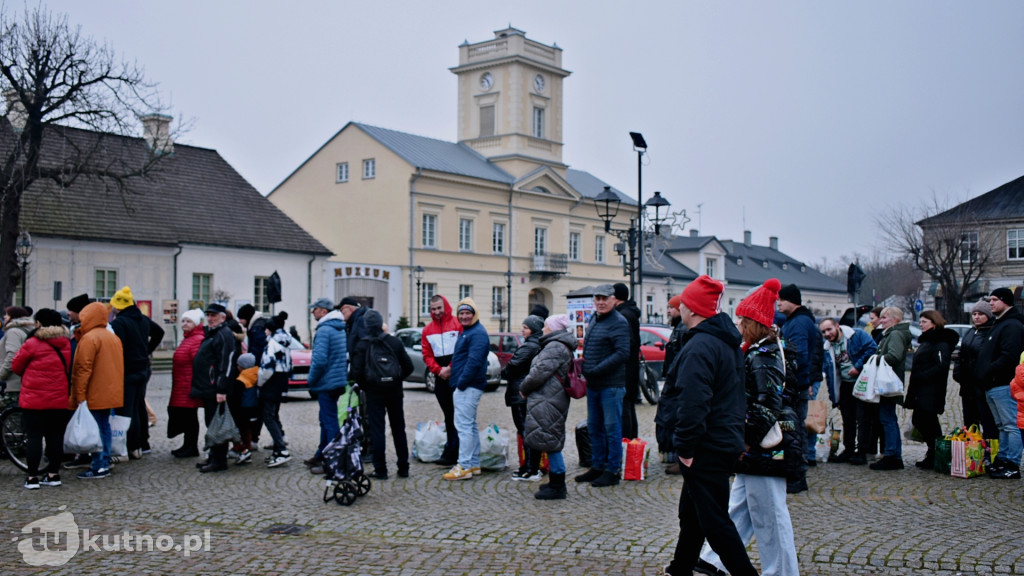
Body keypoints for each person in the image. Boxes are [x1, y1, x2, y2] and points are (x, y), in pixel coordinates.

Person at [695, 278, 799, 576]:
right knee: (741, 505)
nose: (739, 324)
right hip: (760, 444)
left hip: (764, 445)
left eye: (743, 319)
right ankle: (714, 559)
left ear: (753, 323)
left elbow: (767, 404)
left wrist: (747, 439)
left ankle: (781, 572)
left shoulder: (763, 356)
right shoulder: (763, 352)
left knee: (769, 515)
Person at [664, 275, 758, 576]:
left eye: (684, 303)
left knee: (716, 523)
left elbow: (694, 401)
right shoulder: (722, 341)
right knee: (691, 515)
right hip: (718, 439)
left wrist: (686, 446)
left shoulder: (702, 345)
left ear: (691, 309)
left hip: (706, 445)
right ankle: (680, 569)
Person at [575, 284, 630, 488]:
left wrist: (596, 368)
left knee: (612, 428)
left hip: (611, 385)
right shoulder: (595, 318)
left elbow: (622, 353)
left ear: (613, 300)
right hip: (594, 383)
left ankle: (612, 470)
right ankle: (598, 466)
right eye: (597, 298)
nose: (600, 302)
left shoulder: (619, 322)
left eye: (604, 298)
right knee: (594, 427)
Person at [350, 309, 414, 479]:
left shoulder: (362, 345)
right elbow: (409, 367)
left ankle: (381, 469)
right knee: (398, 429)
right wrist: (396, 379)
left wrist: (368, 386)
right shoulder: (394, 342)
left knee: (377, 430)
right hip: (394, 392)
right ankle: (403, 468)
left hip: (374, 393)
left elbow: (356, 372)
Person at [13, 309, 71, 489]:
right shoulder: (65, 343)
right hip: (58, 399)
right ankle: (53, 474)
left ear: (39, 323)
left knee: (34, 437)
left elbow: (16, 365)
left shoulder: (32, 343)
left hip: (34, 399)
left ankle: (32, 477)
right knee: (55, 436)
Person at [521, 314, 576, 500]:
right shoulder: (557, 345)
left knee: (550, 439)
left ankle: (558, 485)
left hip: (549, 398)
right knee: (549, 437)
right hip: (550, 397)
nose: (543, 329)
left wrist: (524, 388)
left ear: (553, 329)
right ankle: (555, 481)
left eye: (546, 326)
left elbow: (539, 372)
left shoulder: (555, 347)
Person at [69, 301, 125, 480]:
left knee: (96, 429)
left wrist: (80, 394)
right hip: (109, 391)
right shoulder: (112, 337)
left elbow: (83, 369)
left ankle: (99, 464)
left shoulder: (90, 338)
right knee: (104, 426)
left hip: (94, 391)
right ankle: (104, 460)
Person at [109, 286, 165, 459]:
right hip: (143, 369)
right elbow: (159, 332)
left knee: (126, 410)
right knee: (139, 406)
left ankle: (130, 446)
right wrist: (146, 351)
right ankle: (142, 443)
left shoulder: (120, 323)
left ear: (117, 307)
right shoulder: (142, 319)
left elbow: (117, 347)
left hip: (127, 370)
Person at [777, 283, 823, 493]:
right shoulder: (799, 321)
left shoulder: (798, 323)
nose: (778, 304)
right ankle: (795, 471)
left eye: (781, 300)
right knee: (793, 429)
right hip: (797, 383)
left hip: (795, 385)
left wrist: (787, 377)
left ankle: (797, 474)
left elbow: (798, 355)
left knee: (793, 430)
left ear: (791, 301)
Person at [976, 287, 1024, 479]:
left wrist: (988, 371)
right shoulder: (999, 324)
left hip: (1003, 383)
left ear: (1006, 301)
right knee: (1002, 425)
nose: (991, 303)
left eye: (995, 300)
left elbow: (1009, 356)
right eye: (990, 300)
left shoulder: (1012, 325)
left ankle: (1012, 463)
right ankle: (1002, 459)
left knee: (1011, 425)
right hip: (993, 384)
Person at [443, 297, 490, 481]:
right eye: (461, 313)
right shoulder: (469, 331)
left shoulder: (476, 333)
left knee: (463, 426)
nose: (464, 316)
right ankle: (473, 463)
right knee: (469, 425)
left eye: (467, 313)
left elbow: (474, 361)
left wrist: (461, 382)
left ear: (474, 314)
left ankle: (463, 465)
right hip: (468, 384)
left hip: (469, 385)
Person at [906, 310, 959, 470]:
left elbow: (941, 366)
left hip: (931, 391)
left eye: (924, 322)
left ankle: (937, 454)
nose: (921, 324)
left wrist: (922, 375)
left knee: (928, 422)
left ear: (934, 323)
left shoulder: (940, 342)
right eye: (920, 321)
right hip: (921, 390)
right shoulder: (927, 341)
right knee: (921, 421)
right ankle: (933, 452)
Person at [820, 317, 877, 465]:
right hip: (844, 384)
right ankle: (849, 449)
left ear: (837, 326)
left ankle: (862, 451)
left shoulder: (856, 335)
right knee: (847, 419)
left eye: (829, 329)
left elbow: (872, 348)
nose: (827, 334)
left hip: (861, 381)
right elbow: (831, 375)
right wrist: (835, 398)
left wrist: (858, 366)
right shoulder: (827, 348)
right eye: (824, 331)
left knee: (863, 418)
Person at [189, 303, 238, 474]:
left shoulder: (224, 335)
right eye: (208, 315)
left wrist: (221, 389)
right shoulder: (213, 333)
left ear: (222, 317)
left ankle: (219, 459)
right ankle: (213, 455)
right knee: (211, 423)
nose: (210, 318)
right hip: (208, 387)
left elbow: (227, 363)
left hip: (216, 388)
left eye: (214, 315)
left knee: (218, 424)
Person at [304, 297, 349, 474]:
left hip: (326, 382)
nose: (312, 312)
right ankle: (322, 454)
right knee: (326, 419)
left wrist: (311, 379)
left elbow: (319, 360)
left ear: (323, 311)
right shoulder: (338, 328)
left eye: (314, 309)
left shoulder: (324, 330)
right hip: (336, 380)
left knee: (329, 422)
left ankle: (333, 461)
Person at [421, 294, 462, 466]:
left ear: (445, 306)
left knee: (459, 415)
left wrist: (451, 368)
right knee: (448, 415)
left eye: (439, 308)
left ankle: (459, 450)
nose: (437, 312)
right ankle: (452, 449)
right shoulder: (427, 330)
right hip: (440, 377)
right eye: (433, 309)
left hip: (456, 374)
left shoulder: (457, 324)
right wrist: (439, 371)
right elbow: (427, 355)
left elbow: (461, 349)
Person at [502, 315, 544, 481]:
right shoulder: (538, 345)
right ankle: (531, 466)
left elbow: (512, 366)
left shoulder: (530, 346)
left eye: (525, 327)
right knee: (528, 430)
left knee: (525, 431)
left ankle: (530, 468)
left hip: (520, 394)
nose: (522, 330)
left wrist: (504, 373)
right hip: (526, 392)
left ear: (533, 330)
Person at [869, 306, 912, 471]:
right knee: (888, 419)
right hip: (888, 382)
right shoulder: (893, 333)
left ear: (895, 320)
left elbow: (893, 356)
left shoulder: (895, 334)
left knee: (888, 420)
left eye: (885, 318)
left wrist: (875, 359)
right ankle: (894, 455)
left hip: (888, 384)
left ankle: (891, 455)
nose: (881, 321)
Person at [952, 299, 998, 437]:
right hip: (967, 386)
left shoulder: (991, 332)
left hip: (981, 385)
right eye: (974, 314)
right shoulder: (970, 332)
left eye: (980, 314)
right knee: (969, 421)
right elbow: (961, 355)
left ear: (988, 315)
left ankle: (990, 450)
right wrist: (958, 373)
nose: (976, 317)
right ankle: (972, 451)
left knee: (987, 420)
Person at [656, 294, 687, 472]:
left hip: (677, 381)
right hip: (673, 378)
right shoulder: (678, 328)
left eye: (672, 307)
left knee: (675, 418)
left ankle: (679, 457)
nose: (669, 310)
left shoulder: (682, 330)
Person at [168, 309, 205, 458]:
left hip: (189, 386)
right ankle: (187, 445)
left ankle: (191, 447)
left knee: (190, 417)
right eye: (183, 321)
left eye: (188, 321)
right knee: (187, 417)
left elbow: (199, 363)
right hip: (182, 385)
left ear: (196, 323)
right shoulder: (188, 338)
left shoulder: (196, 339)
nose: (184, 324)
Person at [258, 315, 293, 468]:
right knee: (273, 414)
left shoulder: (272, 343)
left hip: (271, 382)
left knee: (268, 416)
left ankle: (281, 449)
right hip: (282, 380)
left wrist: (259, 382)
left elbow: (267, 367)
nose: (265, 332)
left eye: (266, 329)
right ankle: (279, 448)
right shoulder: (285, 342)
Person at [612, 282, 642, 440]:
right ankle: (631, 441)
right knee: (628, 404)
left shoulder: (623, 315)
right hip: (631, 366)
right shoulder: (630, 312)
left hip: (625, 368)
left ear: (615, 298)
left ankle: (627, 441)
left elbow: (625, 344)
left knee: (625, 405)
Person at [0, 306, 36, 409]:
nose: (4, 317)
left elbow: (12, 355)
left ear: (13, 316)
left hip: (12, 382)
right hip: (21, 381)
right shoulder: (25, 329)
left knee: (11, 419)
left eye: (7, 314)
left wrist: (1, 374)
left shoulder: (13, 332)